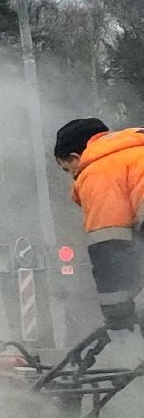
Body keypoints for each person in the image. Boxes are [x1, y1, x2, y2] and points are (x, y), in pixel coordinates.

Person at [55, 117, 144, 333]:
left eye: (68, 170)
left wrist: (116, 308)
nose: (74, 178)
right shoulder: (133, 153)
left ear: (76, 157)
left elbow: (110, 247)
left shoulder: (98, 171)